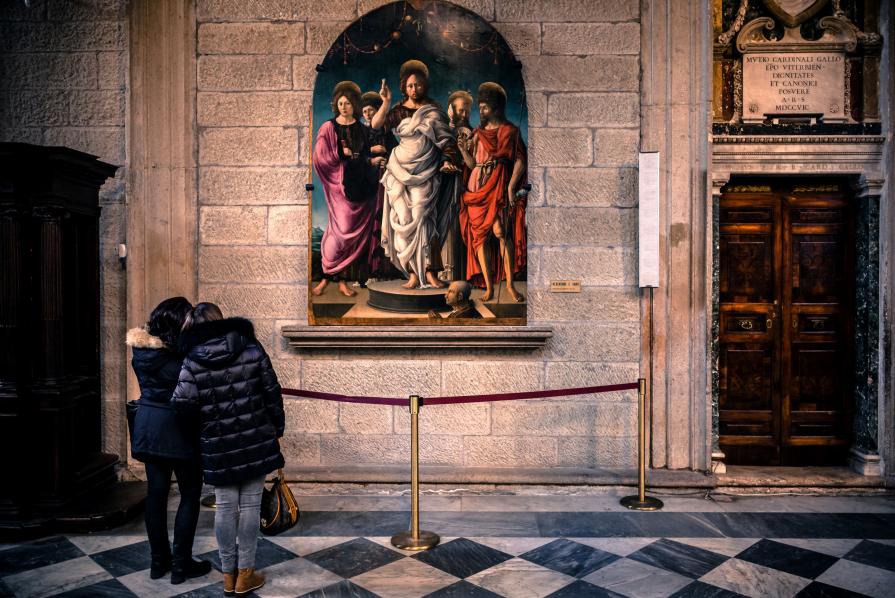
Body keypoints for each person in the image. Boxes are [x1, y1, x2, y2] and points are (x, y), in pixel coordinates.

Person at [171, 303, 286, 596]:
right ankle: (245, 574)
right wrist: (278, 426)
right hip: (255, 437)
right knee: (249, 505)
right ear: (220, 320)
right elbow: (272, 390)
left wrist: (202, 430)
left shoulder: (192, 360)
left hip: (217, 442)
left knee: (224, 506)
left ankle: (227, 574)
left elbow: (181, 405)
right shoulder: (250, 347)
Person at [126, 297, 211, 584]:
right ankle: (181, 565)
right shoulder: (181, 357)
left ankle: (158, 562)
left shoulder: (141, 353)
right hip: (179, 427)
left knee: (156, 495)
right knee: (189, 494)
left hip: (149, 425)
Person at [369, 59, 461, 289]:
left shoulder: (433, 111)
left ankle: (430, 272)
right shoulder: (398, 111)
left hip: (427, 170)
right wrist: (386, 101)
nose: (414, 89)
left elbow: (446, 140)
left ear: (425, 86)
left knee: (424, 217)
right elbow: (376, 125)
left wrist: (448, 159)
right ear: (404, 87)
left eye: (418, 85)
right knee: (404, 219)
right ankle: (412, 273)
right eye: (410, 85)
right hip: (399, 170)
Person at [313, 81, 386, 298]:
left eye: (347, 103)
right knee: (340, 232)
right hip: (339, 186)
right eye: (340, 103)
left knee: (349, 237)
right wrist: (341, 155)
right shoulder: (328, 127)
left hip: (359, 186)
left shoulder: (362, 129)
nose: (344, 106)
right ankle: (326, 278)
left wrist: (371, 158)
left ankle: (342, 280)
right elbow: (320, 156)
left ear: (354, 104)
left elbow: (364, 155)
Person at [458, 82, 527, 303]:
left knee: (500, 232)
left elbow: (520, 160)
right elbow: (470, 163)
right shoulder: (477, 133)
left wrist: (510, 186)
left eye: (485, 107)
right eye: (480, 107)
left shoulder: (511, 131)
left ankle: (509, 285)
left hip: (497, 185)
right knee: (480, 238)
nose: (481, 111)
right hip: (476, 187)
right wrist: (462, 149)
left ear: (496, 108)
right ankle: (488, 287)